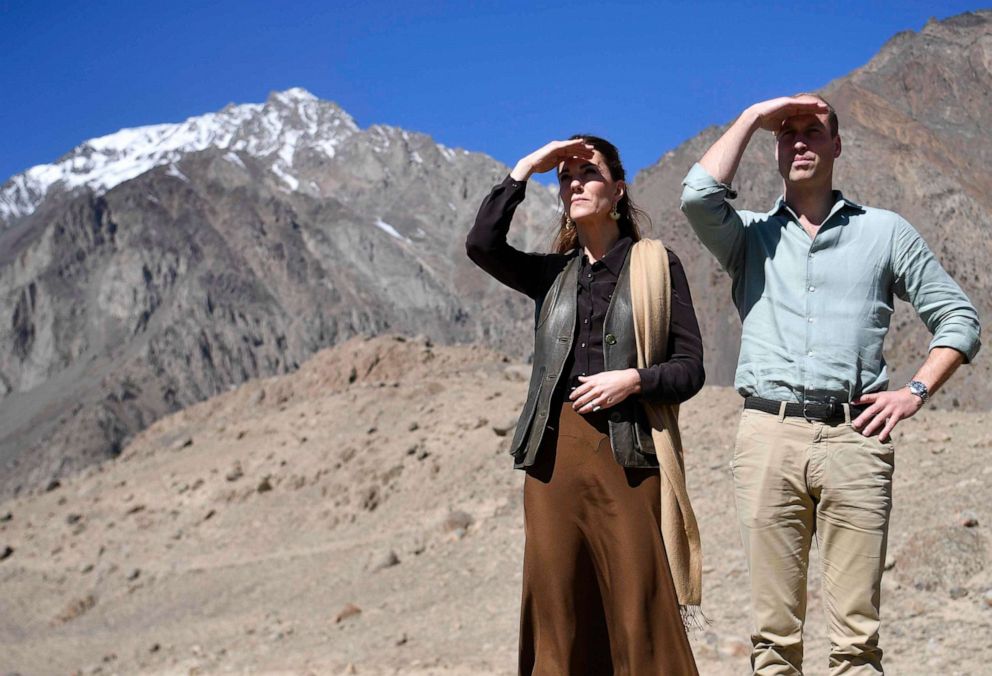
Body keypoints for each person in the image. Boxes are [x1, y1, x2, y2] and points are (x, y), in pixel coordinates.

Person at [680, 94, 982, 675]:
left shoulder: (885, 233)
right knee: (772, 640)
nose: (799, 142)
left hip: (856, 441)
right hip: (769, 434)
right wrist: (750, 116)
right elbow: (697, 195)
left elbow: (959, 319)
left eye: (812, 132)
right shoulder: (748, 238)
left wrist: (913, 392)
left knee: (857, 642)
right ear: (773, 148)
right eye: (786, 134)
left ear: (836, 145)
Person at [466, 135, 705, 675]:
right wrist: (527, 168)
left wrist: (634, 380)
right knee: (558, 609)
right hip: (553, 460)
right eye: (565, 176)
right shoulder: (552, 275)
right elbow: (481, 245)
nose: (573, 182)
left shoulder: (656, 265)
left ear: (618, 190)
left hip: (628, 456)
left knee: (638, 608)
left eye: (587, 173)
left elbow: (691, 369)